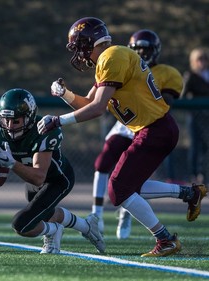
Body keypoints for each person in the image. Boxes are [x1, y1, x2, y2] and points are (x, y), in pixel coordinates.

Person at [37, 17, 207, 257]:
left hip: (154, 129)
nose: (78, 53)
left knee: (118, 189)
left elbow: (96, 108)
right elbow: (88, 102)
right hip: (153, 129)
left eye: (78, 46)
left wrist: (58, 120)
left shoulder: (112, 57)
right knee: (128, 186)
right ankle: (190, 194)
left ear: (88, 43)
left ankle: (165, 239)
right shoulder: (111, 57)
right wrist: (65, 94)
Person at [0, 88, 105, 254]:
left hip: (58, 179)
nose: (10, 126)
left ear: (29, 117)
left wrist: (11, 163)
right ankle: (86, 226)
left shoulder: (43, 129)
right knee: (45, 213)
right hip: (32, 180)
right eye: (6, 120)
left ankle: (54, 231)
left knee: (22, 224)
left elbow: (39, 177)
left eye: (16, 121)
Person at [91, 29, 184, 240]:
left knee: (127, 180)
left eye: (145, 48)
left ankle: (128, 214)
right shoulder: (121, 62)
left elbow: (164, 102)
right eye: (137, 48)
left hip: (148, 124)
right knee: (104, 162)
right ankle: (96, 213)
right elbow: (97, 101)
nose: (141, 52)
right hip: (126, 125)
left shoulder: (167, 73)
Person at [182, 47, 209, 184]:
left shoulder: (207, 75)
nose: (202, 62)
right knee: (195, 145)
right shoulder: (190, 76)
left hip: (207, 117)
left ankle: (203, 174)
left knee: (205, 146)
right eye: (199, 59)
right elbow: (183, 95)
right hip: (194, 116)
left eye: (204, 58)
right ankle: (193, 175)